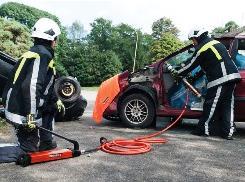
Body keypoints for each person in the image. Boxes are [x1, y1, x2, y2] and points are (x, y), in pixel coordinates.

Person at [0, 18, 65, 163]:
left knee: (51, 106)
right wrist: (30, 115)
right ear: (52, 39)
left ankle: (46, 142)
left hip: (22, 106)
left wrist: (56, 100)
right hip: (22, 110)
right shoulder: (41, 55)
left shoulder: (36, 53)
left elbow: (46, 86)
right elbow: (31, 86)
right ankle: (29, 146)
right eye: (56, 39)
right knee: (28, 151)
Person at [176, 28, 241, 140]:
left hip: (221, 79)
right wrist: (195, 77)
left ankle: (203, 129)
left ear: (198, 37)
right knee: (227, 106)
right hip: (233, 77)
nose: (193, 43)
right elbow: (209, 64)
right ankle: (228, 133)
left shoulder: (203, 47)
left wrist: (177, 72)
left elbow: (191, 64)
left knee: (210, 104)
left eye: (193, 40)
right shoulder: (215, 43)